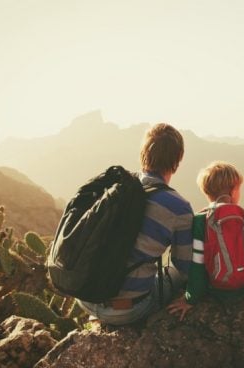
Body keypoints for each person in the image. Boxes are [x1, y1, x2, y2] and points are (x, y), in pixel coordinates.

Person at [77, 123, 193, 325]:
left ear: (143, 153)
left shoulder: (116, 186)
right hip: (126, 311)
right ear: (179, 158)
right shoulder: (178, 207)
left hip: (85, 296)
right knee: (174, 275)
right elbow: (184, 266)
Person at [167, 161, 244, 320]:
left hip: (219, 290)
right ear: (233, 191)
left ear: (206, 192)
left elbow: (197, 264)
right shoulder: (243, 216)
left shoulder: (200, 221)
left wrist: (190, 298)